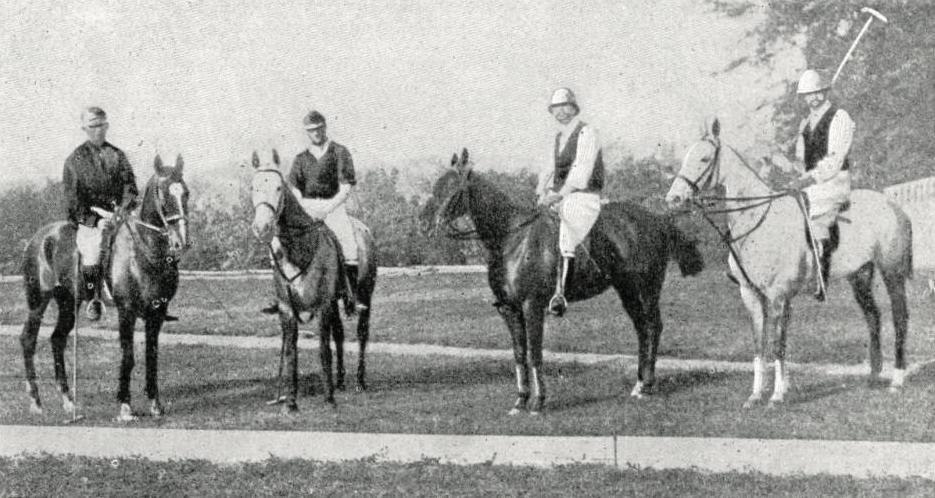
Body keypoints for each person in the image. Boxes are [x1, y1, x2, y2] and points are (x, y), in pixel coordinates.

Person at [261, 110, 365, 315]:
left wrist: (328, 207)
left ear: (325, 127)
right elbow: (294, 188)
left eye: (318, 129)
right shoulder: (301, 158)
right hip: (306, 207)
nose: (315, 133)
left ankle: (350, 295)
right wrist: (303, 206)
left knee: (349, 244)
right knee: (276, 242)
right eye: (311, 130)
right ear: (306, 133)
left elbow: (346, 187)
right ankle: (279, 296)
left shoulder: (339, 152)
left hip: (333, 206)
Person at [63, 107, 138, 321]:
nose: (98, 131)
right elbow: (73, 204)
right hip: (91, 217)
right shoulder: (74, 161)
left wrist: (123, 209)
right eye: (93, 126)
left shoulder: (117, 155)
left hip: (118, 214)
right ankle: (93, 298)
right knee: (94, 250)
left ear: (107, 126)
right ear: (85, 129)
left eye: (102, 125)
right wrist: (96, 222)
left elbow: (130, 187)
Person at [536, 88, 605, 316]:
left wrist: (559, 194)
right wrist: (541, 191)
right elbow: (549, 168)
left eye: (565, 107)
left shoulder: (587, 132)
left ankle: (560, 293)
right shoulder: (558, 138)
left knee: (565, 223)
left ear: (574, 108)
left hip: (583, 196)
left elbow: (581, 170)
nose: (560, 113)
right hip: (560, 195)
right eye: (556, 109)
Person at [788, 69, 855, 301]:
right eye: (808, 94)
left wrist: (808, 178)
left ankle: (820, 280)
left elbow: (834, 161)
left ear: (825, 91)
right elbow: (800, 159)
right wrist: (792, 169)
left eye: (817, 92)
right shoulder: (805, 123)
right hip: (811, 182)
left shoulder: (840, 117)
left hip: (833, 181)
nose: (813, 98)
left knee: (813, 212)